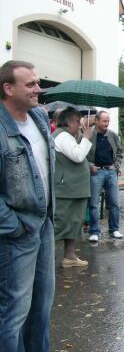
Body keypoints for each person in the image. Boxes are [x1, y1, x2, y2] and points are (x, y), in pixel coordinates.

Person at [0, 60, 55, 351]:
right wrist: (15, 225)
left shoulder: (39, 118)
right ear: (8, 88)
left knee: (41, 310)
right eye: (31, 84)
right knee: (13, 315)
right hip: (17, 233)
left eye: (37, 82)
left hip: (44, 225)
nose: (39, 89)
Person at [53, 107, 92, 268]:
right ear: (68, 121)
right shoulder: (62, 136)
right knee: (60, 224)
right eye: (78, 120)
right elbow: (77, 156)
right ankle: (43, 258)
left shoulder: (67, 136)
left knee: (74, 224)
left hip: (74, 190)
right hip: (67, 190)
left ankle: (69, 256)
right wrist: (86, 138)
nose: (80, 123)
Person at [87, 110, 123, 242]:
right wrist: (90, 165)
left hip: (110, 171)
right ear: (96, 121)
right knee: (93, 203)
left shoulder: (112, 135)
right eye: (104, 121)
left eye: (108, 121)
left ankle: (114, 229)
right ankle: (94, 231)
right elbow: (82, 153)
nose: (107, 123)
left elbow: (119, 152)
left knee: (114, 202)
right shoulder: (89, 134)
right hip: (96, 172)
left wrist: (116, 166)